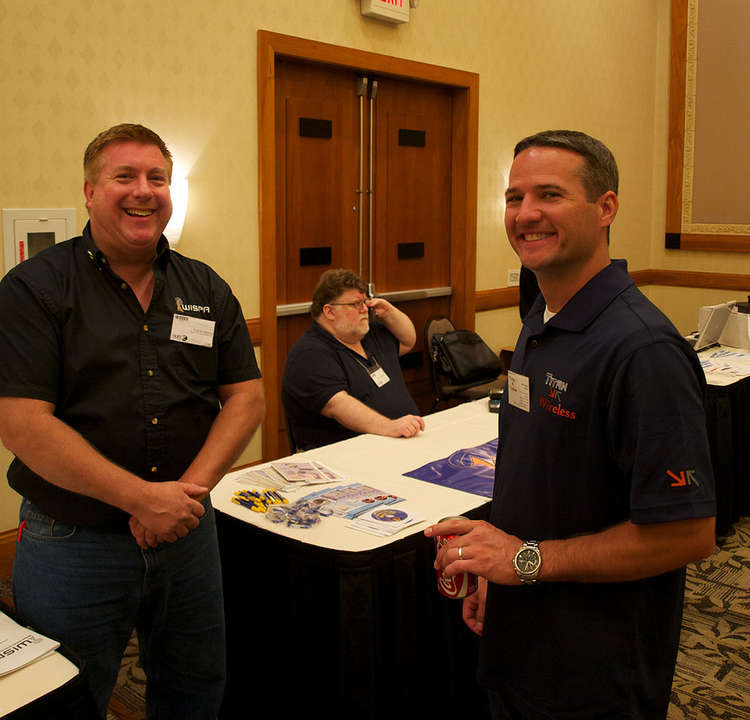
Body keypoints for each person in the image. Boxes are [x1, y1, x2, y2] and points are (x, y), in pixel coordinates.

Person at [426, 130, 716, 719]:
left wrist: (523, 560)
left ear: (606, 208)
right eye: (514, 198)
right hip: (525, 639)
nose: (525, 214)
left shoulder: (644, 351)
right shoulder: (542, 317)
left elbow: (687, 534)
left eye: (550, 195)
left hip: (595, 668)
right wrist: (497, 566)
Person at [0, 123, 265, 718]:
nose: (143, 190)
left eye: (157, 178)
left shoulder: (205, 286)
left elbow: (247, 398)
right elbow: (22, 424)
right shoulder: (35, 289)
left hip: (189, 532)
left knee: (195, 689)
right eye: (125, 176)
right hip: (74, 541)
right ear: (90, 192)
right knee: (69, 699)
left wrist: (183, 496)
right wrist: (143, 500)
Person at [282, 268, 425, 450]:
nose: (365, 309)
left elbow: (408, 341)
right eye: (356, 304)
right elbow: (338, 406)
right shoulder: (310, 353)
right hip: (346, 454)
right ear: (329, 311)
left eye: (365, 302)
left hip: (398, 442)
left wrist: (389, 312)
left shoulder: (370, 333)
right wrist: (389, 426)